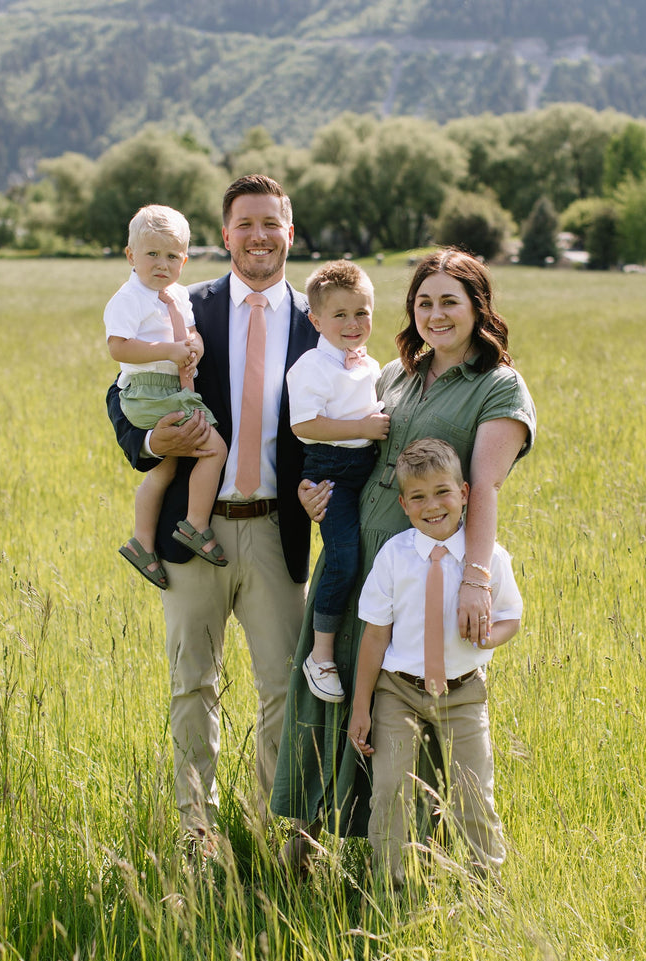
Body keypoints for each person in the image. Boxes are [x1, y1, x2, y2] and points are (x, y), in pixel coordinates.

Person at [271, 247, 536, 866]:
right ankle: (309, 839)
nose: (436, 313)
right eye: (424, 301)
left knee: (409, 702)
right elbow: (345, 446)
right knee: (329, 686)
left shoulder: (498, 387)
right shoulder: (394, 373)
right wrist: (317, 493)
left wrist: (476, 581)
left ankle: (417, 851)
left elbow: (486, 488)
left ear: (478, 306)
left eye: (450, 300)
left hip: (425, 574)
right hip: (354, 559)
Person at [107, 175, 319, 849]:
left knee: (285, 689)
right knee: (191, 686)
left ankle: (278, 836)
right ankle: (198, 836)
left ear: (290, 232)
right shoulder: (179, 306)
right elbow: (122, 394)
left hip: (275, 531)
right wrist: (148, 441)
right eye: (244, 224)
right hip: (188, 529)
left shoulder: (322, 321)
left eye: (271, 223)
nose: (258, 235)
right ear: (224, 236)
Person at [348, 437, 522, 887]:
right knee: (390, 790)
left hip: (464, 693)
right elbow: (374, 636)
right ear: (404, 504)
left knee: (472, 793)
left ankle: (487, 889)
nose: (432, 505)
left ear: (464, 493)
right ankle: (391, 884)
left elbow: (511, 618)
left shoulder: (488, 559)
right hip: (398, 692)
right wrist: (361, 707)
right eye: (419, 497)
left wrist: (488, 636)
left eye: (443, 492)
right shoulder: (394, 557)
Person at [104, 204, 229, 590]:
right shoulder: (130, 298)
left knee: (166, 467)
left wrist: (194, 348)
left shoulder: (176, 295)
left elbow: (189, 333)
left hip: (172, 384)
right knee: (214, 450)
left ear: (184, 260)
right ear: (131, 256)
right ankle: (195, 523)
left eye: (172, 256)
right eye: (152, 254)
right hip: (149, 392)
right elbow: (119, 349)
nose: (162, 264)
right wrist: (168, 352)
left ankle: (142, 540)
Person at [285, 260, 389, 703]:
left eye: (362, 313)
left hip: (366, 467)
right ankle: (321, 653)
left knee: (374, 555)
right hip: (330, 471)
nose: (353, 324)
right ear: (316, 320)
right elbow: (305, 425)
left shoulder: (369, 364)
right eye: (340, 315)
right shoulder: (310, 366)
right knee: (343, 557)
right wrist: (363, 429)